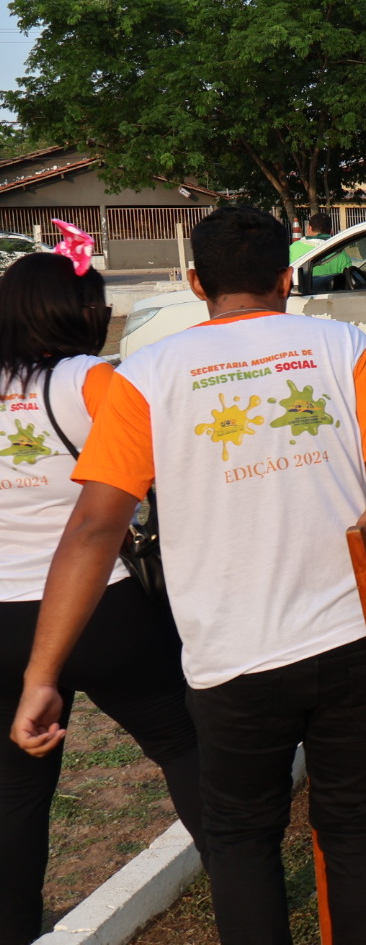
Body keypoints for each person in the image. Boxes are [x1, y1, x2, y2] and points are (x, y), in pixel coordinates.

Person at [10, 206, 366, 945]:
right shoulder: (342, 346)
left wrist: (41, 672)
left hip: (228, 656)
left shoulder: (144, 375)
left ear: (193, 281)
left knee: (242, 840)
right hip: (354, 633)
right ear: (286, 277)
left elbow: (92, 528)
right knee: (357, 822)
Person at [0, 252, 206, 945]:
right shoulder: (88, 380)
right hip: (99, 608)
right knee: (184, 742)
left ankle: (16, 928)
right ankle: (239, 869)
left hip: (2, 616)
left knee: (17, 792)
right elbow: (156, 476)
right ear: (78, 312)